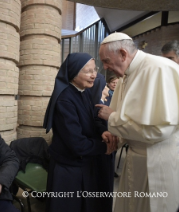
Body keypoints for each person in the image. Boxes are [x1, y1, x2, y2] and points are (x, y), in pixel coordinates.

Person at [96, 32, 179, 212]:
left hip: (161, 159)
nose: (105, 67)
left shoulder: (160, 70)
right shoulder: (127, 75)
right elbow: (130, 117)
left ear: (123, 54)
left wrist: (112, 119)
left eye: (107, 61)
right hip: (137, 157)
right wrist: (116, 136)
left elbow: (158, 130)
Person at [43, 52, 117, 212]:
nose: (94, 75)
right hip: (69, 169)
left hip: (83, 163)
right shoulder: (65, 100)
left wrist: (103, 131)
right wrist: (104, 148)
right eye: (88, 71)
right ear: (73, 72)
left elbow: (93, 117)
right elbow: (76, 144)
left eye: (94, 70)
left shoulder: (85, 91)